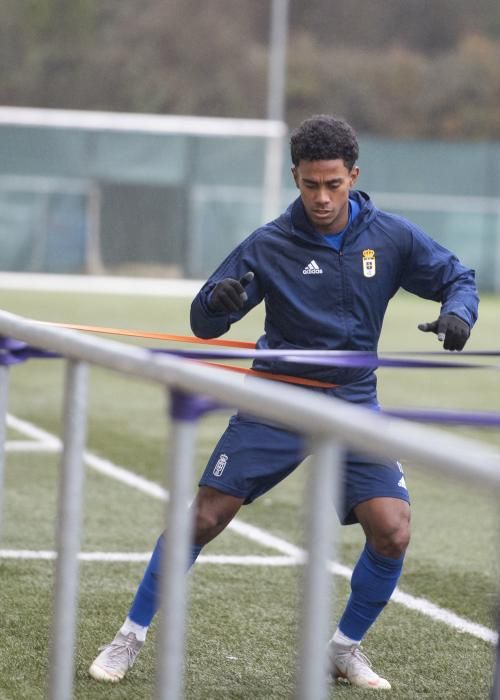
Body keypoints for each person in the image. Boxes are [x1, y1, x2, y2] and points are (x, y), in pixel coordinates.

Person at [89, 115, 478, 689]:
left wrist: (458, 314)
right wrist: (217, 303)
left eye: (333, 185)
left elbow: (458, 277)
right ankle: (128, 635)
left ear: (353, 176)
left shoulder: (390, 236)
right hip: (277, 399)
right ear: (294, 176)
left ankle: (343, 650)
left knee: (393, 530)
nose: (321, 198)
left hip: (352, 402)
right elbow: (204, 322)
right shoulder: (270, 242)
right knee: (204, 517)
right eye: (309, 185)